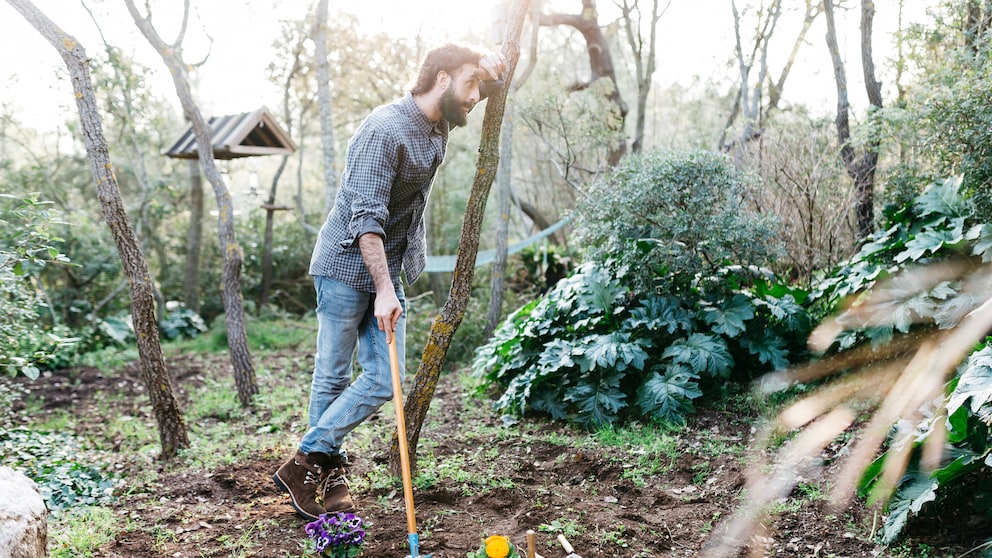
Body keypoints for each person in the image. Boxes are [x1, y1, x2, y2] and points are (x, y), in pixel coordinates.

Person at [273, 42, 506, 521]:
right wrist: (384, 289)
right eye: (468, 85)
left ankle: (305, 461)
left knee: (382, 379)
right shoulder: (383, 130)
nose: (474, 97)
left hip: (387, 267)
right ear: (440, 78)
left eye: (478, 89)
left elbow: (476, 76)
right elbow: (366, 218)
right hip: (344, 267)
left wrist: (490, 58)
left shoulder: (439, 123)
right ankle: (325, 474)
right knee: (334, 376)